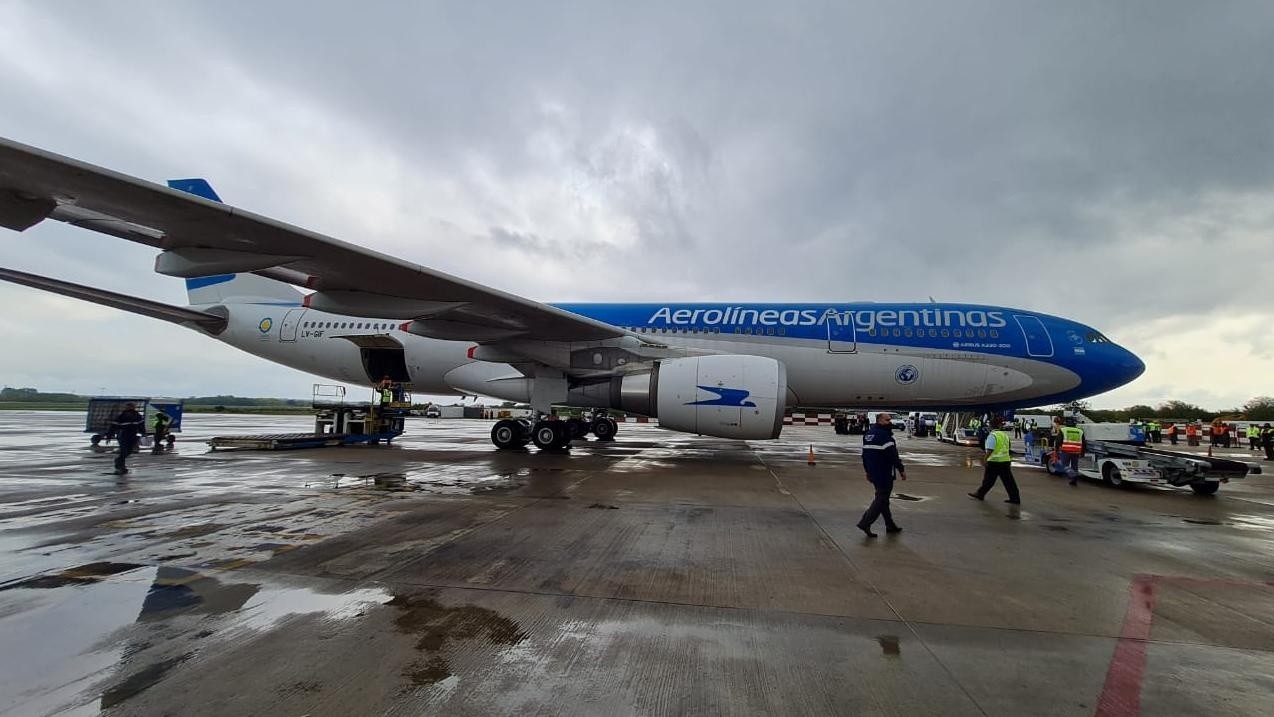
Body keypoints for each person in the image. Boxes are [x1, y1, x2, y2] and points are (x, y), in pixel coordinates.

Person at [857, 412, 906, 538]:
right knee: (881, 499)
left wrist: (867, 471)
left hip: (873, 472)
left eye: (889, 420)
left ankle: (890, 525)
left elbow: (865, 455)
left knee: (883, 499)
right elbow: (893, 456)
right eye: (887, 420)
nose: (890, 422)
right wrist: (901, 469)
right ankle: (865, 522)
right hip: (884, 473)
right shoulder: (885, 436)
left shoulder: (868, 434)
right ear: (879, 421)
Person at [969, 417, 1020, 504]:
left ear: (991, 426)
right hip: (1005, 461)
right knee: (1009, 482)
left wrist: (985, 459)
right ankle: (1015, 498)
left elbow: (990, 449)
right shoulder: (1004, 435)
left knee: (988, 481)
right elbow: (1008, 448)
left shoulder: (992, 435)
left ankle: (980, 494)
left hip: (994, 462)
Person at [111, 402, 146, 475]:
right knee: (124, 451)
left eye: (131, 407)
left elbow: (141, 425)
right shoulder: (122, 416)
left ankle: (120, 463)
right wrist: (109, 434)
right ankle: (120, 466)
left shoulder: (137, 415)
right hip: (123, 435)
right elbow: (114, 425)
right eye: (128, 407)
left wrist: (143, 432)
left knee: (129, 451)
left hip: (132, 435)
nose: (130, 408)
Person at [1058, 418, 1085, 485]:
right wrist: (1083, 452)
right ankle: (1074, 480)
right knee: (1074, 466)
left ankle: (1072, 474)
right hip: (1076, 451)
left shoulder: (1063, 430)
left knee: (1064, 464)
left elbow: (1059, 441)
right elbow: (1084, 443)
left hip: (1066, 451)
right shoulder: (1080, 431)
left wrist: (1056, 448)